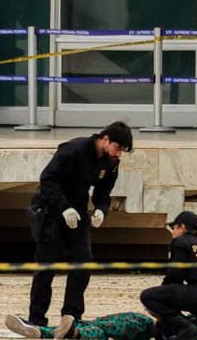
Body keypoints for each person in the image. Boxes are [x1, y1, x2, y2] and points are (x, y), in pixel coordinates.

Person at [24, 121, 133, 327]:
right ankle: (36, 319)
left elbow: (104, 191)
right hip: (50, 209)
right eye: (118, 148)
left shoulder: (111, 161)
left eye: (123, 151)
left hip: (78, 211)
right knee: (47, 266)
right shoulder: (74, 149)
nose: (119, 154)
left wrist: (101, 209)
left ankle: (72, 316)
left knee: (83, 261)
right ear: (106, 139)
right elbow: (47, 179)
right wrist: (63, 207)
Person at [140, 211, 197, 340]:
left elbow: (175, 274)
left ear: (182, 227)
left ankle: (186, 328)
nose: (172, 232)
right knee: (193, 292)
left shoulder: (180, 242)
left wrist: (162, 295)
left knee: (148, 296)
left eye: (173, 228)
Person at [5, 312, 155, 340]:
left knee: (103, 329)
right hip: (145, 323)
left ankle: (73, 332)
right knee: (95, 325)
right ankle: (39, 331)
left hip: (147, 324)